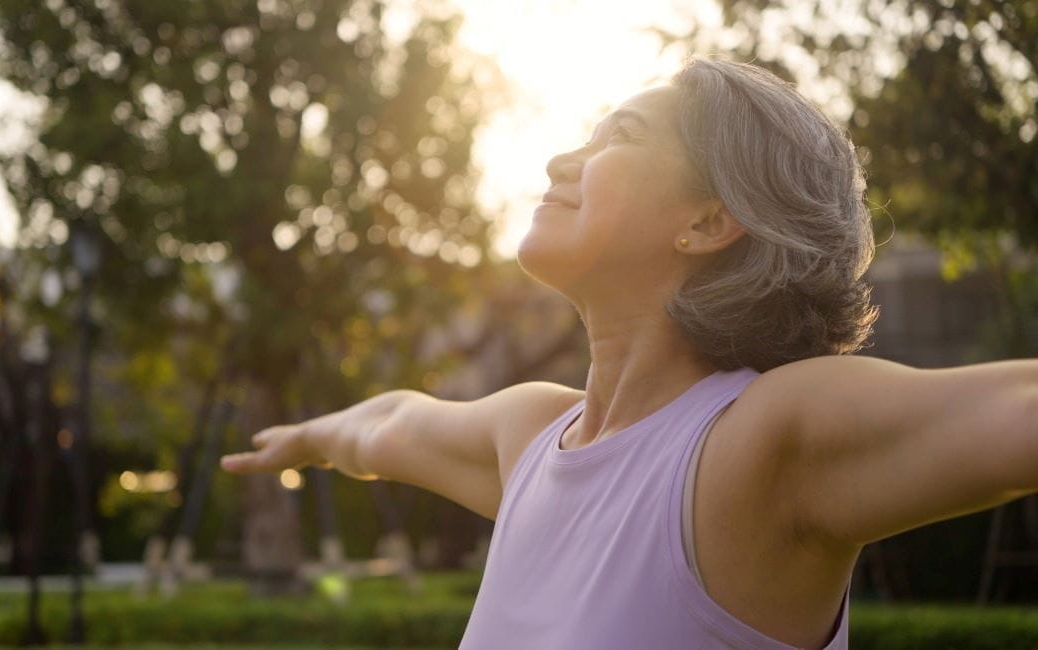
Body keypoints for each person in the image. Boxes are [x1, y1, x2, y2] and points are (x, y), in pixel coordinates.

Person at [220, 58, 1038, 649]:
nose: (560, 160)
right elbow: (391, 425)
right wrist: (307, 439)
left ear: (708, 221)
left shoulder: (757, 445)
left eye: (622, 136)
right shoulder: (530, 438)